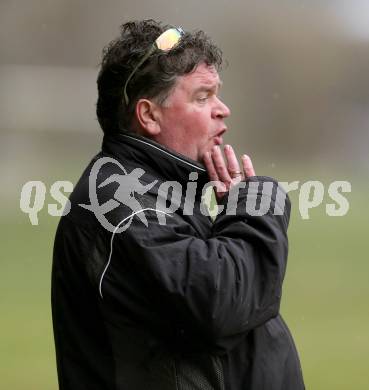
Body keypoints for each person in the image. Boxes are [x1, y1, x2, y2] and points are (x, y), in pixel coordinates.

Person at [51, 19, 305, 390]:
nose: (223, 109)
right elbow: (223, 304)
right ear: (149, 115)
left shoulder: (161, 190)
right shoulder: (119, 204)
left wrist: (237, 211)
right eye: (202, 97)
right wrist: (253, 207)